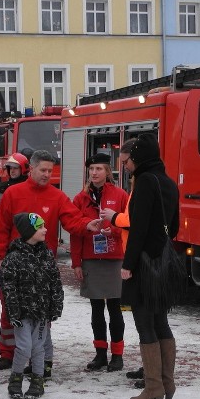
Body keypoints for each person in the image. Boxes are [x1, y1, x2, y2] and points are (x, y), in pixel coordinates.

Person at [0, 150, 102, 373]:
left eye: (50, 171)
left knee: (40, 312)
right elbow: (1, 228)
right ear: (30, 169)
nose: (46, 174)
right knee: (10, 308)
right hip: (15, 264)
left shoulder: (57, 196)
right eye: (42, 170)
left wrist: (86, 225)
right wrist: (0, 257)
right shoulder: (13, 194)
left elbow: (72, 219)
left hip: (42, 264)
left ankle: (37, 357)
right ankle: (7, 353)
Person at [101, 134, 179, 399]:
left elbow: (138, 228)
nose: (125, 167)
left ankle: (153, 387)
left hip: (144, 264)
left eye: (127, 161)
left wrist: (128, 265)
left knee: (145, 325)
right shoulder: (168, 182)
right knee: (161, 323)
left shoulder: (145, 182)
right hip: (163, 263)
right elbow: (176, 227)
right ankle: (167, 383)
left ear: (139, 158)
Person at [71, 153, 129, 372]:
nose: (94, 173)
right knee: (96, 309)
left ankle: (117, 355)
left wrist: (112, 230)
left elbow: (128, 224)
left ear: (108, 171)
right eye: (91, 169)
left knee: (115, 308)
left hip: (115, 259)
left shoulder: (121, 195)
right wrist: (77, 263)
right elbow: (75, 232)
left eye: (99, 169)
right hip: (91, 260)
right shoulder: (80, 198)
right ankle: (100, 354)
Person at [0, 212, 63, 399]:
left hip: (42, 312)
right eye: (40, 227)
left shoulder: (46, 255)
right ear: (29, 231)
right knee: (24, 347)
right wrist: (14, 312)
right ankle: (16, 378)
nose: (45, 230)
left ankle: (38, 380)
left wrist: (56, 305)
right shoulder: (14, 258)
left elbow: (55, 281)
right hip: (22, 314)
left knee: (38, 347)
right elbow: (8, 288)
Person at [0, 152, 29, 235]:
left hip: (23, 231)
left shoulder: (29, 187)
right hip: (2, 230)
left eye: (15, 168)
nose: (12, 171)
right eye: (10, 168)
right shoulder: (1, 187)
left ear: (23, 169)